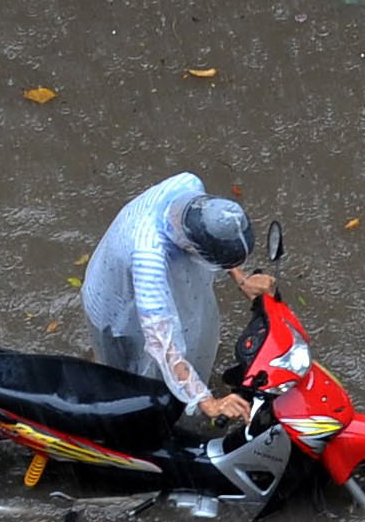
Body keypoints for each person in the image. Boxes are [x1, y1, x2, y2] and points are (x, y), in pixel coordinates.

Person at [81, 172, 276, 423]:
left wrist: (242, 279)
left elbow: (213, 233)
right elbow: (161, 343)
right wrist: (208, 402)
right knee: (122, 379)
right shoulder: (148, 256)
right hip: (114, 304)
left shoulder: (189, 186)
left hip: (147, 273)